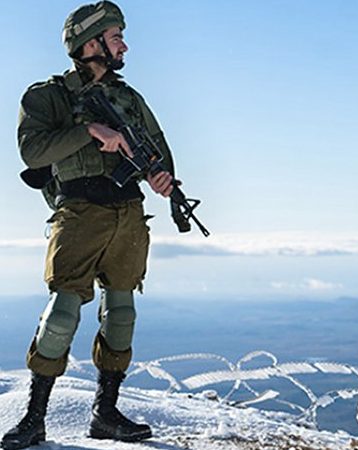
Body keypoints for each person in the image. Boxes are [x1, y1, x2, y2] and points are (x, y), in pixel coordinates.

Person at [2, 2, 176, 449]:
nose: (124, 45)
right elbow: (32, 152)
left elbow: (157, 148)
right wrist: (90, 132)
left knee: (121, 313)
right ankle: (34, 417)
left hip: (129, 213)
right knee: (62, 314)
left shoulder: (129, 99)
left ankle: (106, 413)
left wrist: (161, 177)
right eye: (115, 36)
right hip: (79, 212)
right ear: (89, 43)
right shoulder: (47, 96)